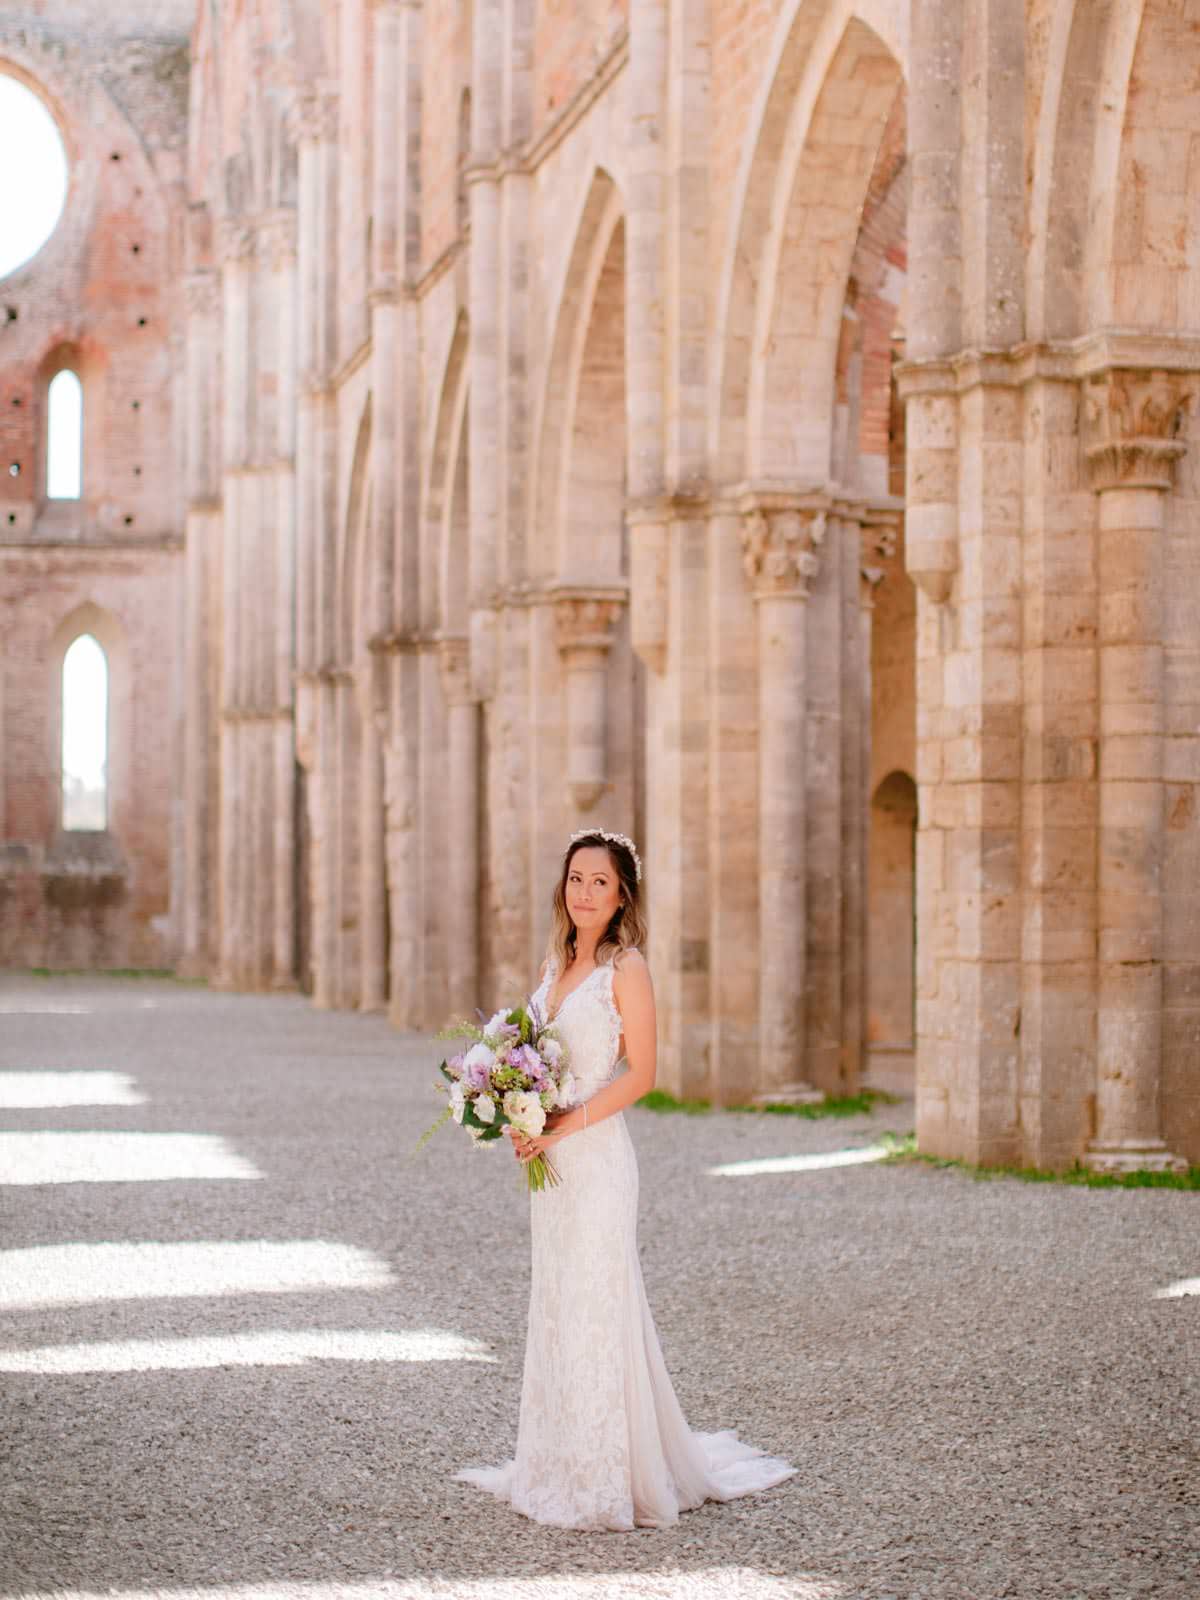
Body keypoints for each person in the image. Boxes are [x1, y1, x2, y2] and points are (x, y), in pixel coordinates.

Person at [455, 827, 796, 1530]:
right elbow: (528, 1054)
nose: (585, 893)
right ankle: (557, 1457)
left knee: (597, 1301)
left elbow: (642, 1073)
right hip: (551, 1153)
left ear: (622, 895)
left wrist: (561, 1122)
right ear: (564, 887)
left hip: (596, 1154)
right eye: (576, 879)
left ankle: (609, 1472)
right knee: (557, 1300)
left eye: (600, 882)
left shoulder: (626, 968)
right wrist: (520, 1117)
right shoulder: (556, 965)